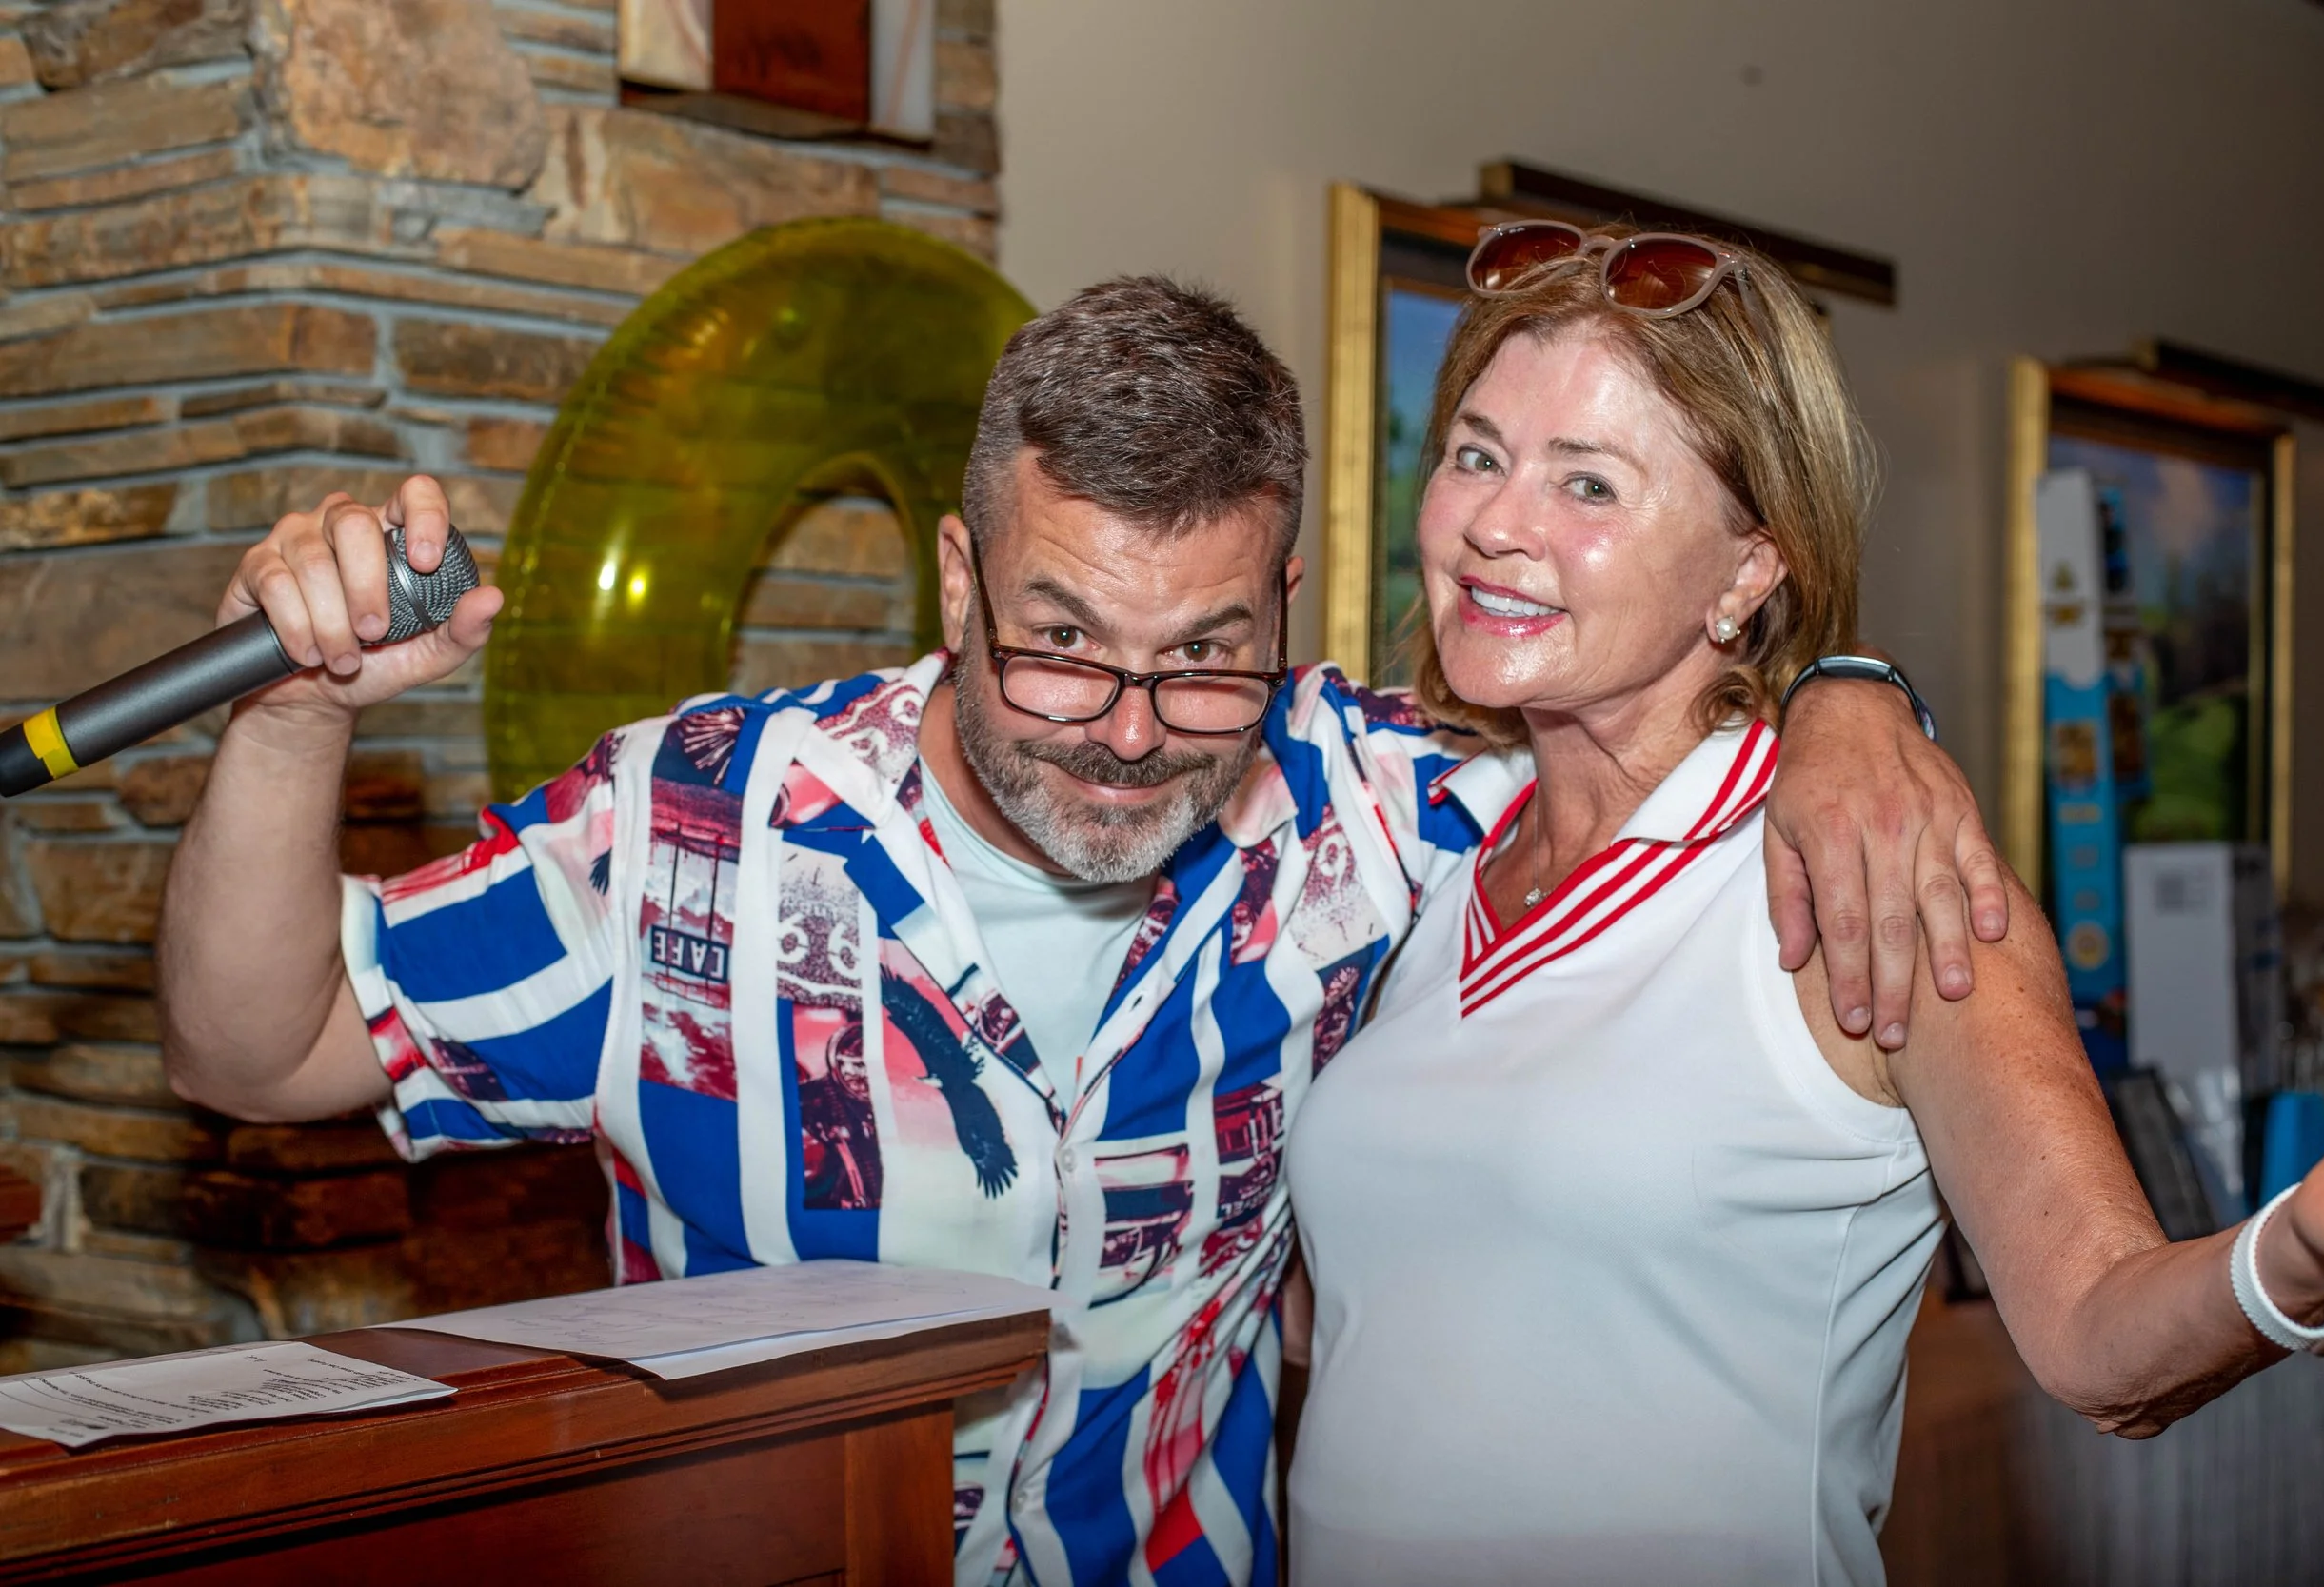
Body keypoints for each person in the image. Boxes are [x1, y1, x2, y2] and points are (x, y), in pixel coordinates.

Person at [157, 276, 1997, 1587]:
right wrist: (297, 718)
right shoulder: (694, 825)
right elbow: (257, 1046)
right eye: (1059, 643)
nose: (1126, 730)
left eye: (1205, 657)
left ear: (1285, 606)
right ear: (957, 577)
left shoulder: (1374, 807)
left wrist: (1849, 693)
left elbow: (1660, 707)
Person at [1281, 223, 2324, 1586]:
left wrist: (2310, 1244)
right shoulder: (1427, 849)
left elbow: (2101, 1336)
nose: (1497, 524)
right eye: (1477, 454)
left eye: (1590, 483)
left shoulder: (1864, 871)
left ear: (1749, 571)